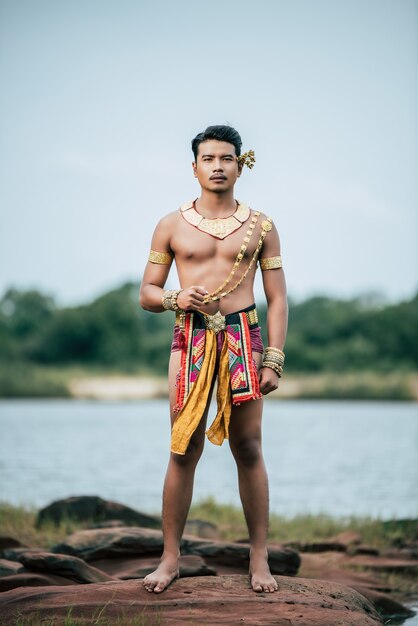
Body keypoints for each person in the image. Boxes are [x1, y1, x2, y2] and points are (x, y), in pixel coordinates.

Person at [139, 124, 288, 594]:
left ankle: (259, 559)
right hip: (190, 339)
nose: (218, 166)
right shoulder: (171, 224)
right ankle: (169, 559)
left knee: (249, 447)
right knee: (184, 447)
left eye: (227, 158)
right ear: (195, 167)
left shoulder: (262, 226)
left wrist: (274, 360)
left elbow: (278, 299)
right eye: (209, 159)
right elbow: (146, 292)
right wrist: (175, 298)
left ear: (241, 165)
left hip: (245, 338)